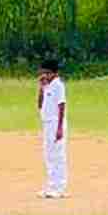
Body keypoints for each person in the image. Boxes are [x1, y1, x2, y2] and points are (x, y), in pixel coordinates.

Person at [38, 59, 69, 198]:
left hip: (56, 123)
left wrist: (60, 128)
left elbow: (61, 106)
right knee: (48, 155)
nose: (45, 75)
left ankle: (60, 187)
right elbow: (40, 104)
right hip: (46, 123)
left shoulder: (58, 85)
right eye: (43, 73)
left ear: (55, 73)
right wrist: (41, 87)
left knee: (58, 155)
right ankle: (51, 185)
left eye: (47, 73)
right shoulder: (47, 85)